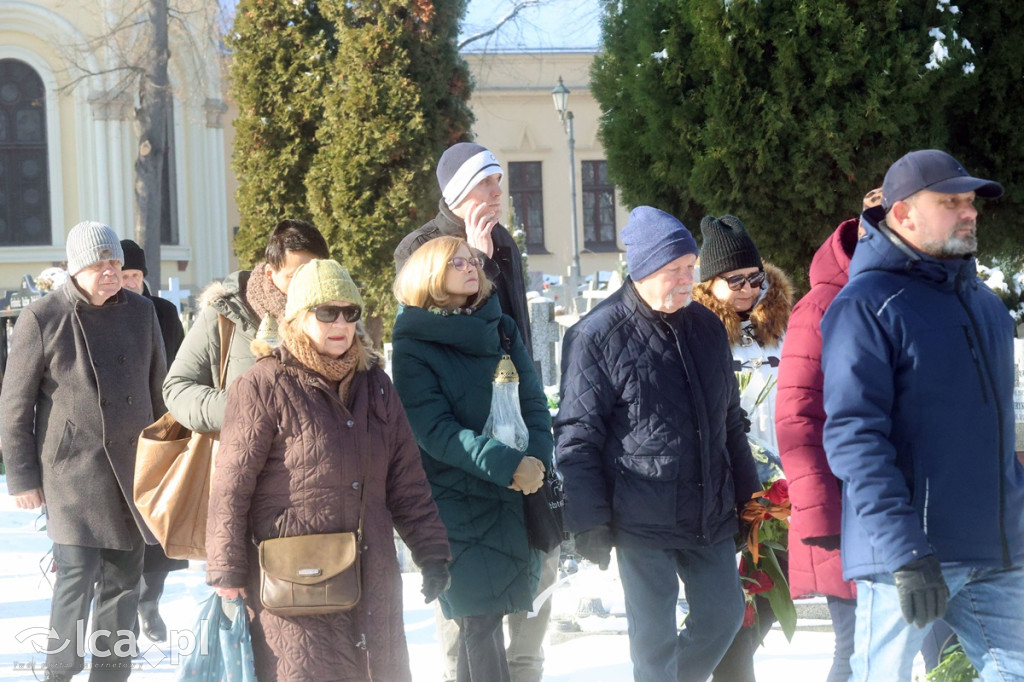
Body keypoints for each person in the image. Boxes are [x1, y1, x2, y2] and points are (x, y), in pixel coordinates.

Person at [821, 149, 1024, 681]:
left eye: (971, 201)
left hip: (996, 547)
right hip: (906, 554)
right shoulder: (866, 305)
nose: (969, 211)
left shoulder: (986, 305)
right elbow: (854, 439)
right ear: (904, 212)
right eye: (950, 201)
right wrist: (906, 553)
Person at [205, 258, 452, 680]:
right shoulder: (263, 385)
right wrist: (226, 571)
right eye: (326, 312)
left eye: (350, 312)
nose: (341, 323)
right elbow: (231, 486)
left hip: (370, 576)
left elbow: (406, 481)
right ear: (299, 318)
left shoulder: (376, 384)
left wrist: (432, 552)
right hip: (294, 583)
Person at [555, 206, 761, 682]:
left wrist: (748, 496)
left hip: (708, 511)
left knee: (723, 617)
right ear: (643, 269)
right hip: (639, 516)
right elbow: (577, 434)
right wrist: (588, 519)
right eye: (676, 270)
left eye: (691, 267)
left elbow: (729, 420)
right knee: (653, 645)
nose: (689, 279)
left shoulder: (708, 328)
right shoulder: (597, 335)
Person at [394, 142, 556, 682]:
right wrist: (475, 254)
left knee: (512, 619)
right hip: (464, 482)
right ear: (461, 192)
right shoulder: (421, 251)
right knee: (470, 629)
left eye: (499, 182)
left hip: (514, 468)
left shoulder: (503, 250)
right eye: (487, 183)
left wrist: (535, 455)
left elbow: (518, 358)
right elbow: (434, 423)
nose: (497, 193)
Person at [1, 221, 167, 681]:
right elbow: (14, 406)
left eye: (115, 263)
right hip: (72, 475)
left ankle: (111, 674)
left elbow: (160, 391)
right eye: (100, 264)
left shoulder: (140, 312)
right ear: (77, 268)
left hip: (133, 470)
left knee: (123, 583)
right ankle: (60, 670)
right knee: (74, 579)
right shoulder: (42, 317)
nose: (111, 272)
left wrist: (168, 462)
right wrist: (23, 478)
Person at [692, 214, 795, 682]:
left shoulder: (781, 330)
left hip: (783, 487)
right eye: (735, 281)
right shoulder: (699, 333)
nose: (749, 289)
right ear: (709, 283)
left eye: (755, 278)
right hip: (731, 486)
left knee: (775, 589)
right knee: (737, 603)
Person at [163, 218, 329, 433]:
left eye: (312, 276)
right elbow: (177, 389)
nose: (305, 286)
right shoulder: (225, 315)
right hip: (245, 458)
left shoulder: (337, 318)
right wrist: (244, 407)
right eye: (294, 277)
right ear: (271, 273)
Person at [119, 238, 188, 643]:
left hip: (161, 430)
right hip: (118, 438)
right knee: (124, 528)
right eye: (124, 275)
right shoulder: (102, 313)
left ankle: (150, 603)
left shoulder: (163, 312)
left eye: (136, 275)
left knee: (161, 526)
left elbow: (179, 364)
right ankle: (122, 609)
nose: (129, 282)